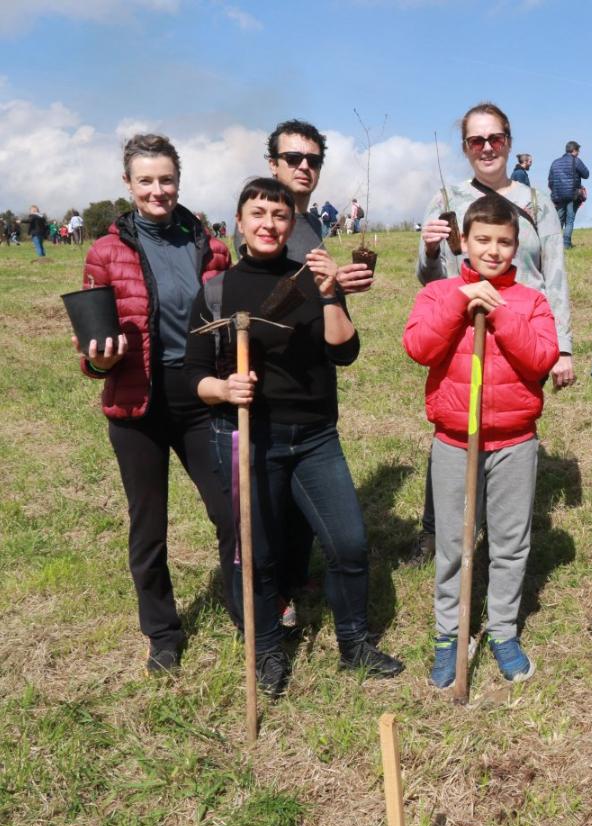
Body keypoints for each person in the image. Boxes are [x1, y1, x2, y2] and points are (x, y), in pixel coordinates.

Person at [186, 177, 403, 695]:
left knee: (348, 544)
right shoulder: (216, 291)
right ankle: (266, 653)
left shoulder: (311, 279)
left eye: (279, 216)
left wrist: (330, 295)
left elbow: (344, 352)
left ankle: (354, 645)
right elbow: (191, 375)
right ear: (238, 222)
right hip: (246, 436)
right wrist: (224, 386)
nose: (268, 224)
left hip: (314, 437)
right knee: (258, 555)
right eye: (257, 214)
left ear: (292, 225)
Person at [74, 133, 235, 674]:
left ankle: (245, 605)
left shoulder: (210, 246)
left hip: (198, 392)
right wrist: (97, 359)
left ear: (179, 181)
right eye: (146, 180)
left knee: (229, 509)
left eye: (166, 179)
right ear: (128, 184)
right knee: (149, 523)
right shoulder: (104, 252)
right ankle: (162, 633)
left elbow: (229, 322)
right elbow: (91, 350)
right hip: (136, 401)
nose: (157, 190)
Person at [403, 193, 559, 687]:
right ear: (463, 242)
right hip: (454, 440)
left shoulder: (531, 301)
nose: (493, 251)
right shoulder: (438, 294)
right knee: (454, 542)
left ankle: (503, 631)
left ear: (517, 247)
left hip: (514, 441)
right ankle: (450, 635)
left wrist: (502, 314)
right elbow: (419, 347)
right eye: (483, 240)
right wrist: (458, 303)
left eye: (504, 242)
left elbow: (541, 359)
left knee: (511, 544)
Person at [414, 102, 575, 561]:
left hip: (524, 332)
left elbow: (555, 274)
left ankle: (502, 533)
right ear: (465, 148)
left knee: (509, 425)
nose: (486, 148)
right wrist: (427, 251)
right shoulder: (446, 200)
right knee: (456, 426)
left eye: (495, 139)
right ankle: (441, 530)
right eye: (475, 141)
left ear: (509, 141)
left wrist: (562, 347)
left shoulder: (536, 201)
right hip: (463, 336)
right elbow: (431, 283)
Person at [244, 119, 376, 627]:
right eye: (293, 158)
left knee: (300, 506)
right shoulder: (268, 220)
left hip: (314, 388)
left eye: (313, 160)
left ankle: (296, 577)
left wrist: (338, 291)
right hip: (273, 394)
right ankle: (274, 598)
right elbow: (265, 305)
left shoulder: (311, 226)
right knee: (272, 508)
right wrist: (329, 282)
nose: (304, 167)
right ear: (272, 163)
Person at [547, 140, 589, 249]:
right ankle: (566, 244)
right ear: (574, 150)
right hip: (572, 195)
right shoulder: (576, 161)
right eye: (578, 151)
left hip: (558, 196)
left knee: (558, 220)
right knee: (569, 220)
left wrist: (555, 191)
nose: (579, 153)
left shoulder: (555, 162)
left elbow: (550, 181)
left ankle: (554, 244)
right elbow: (586, 174)